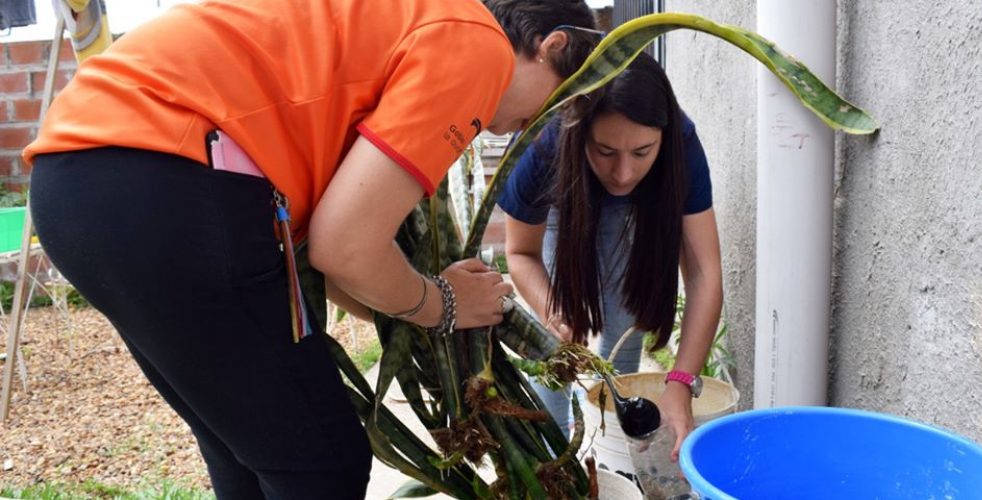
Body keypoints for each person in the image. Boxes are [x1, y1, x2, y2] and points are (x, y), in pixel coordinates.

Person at [23, 0, 600, 498]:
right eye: (542, 109)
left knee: (249, 449)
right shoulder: (478, 43)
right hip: (167, 180)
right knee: (322, 461)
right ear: (550, 46)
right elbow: (344, 246)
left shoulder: (399, 23)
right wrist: (444, 303)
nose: (517, 131)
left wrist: (418, 307)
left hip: (79, 180)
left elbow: (336, 250)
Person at [499, 52, 723, 462]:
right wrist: (554, 313)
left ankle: (611, 451)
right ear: (580, 133)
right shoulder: (545, 142)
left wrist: (679, 381)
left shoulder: (682, 142)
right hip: (562, 198)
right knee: (553, 342)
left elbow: (705, 274)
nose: (622, 172)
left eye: (642, 152)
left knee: (623, 325)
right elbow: (519, 252)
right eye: (604, 150)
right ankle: (549, 456)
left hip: (633, 210)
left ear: (663, 138)